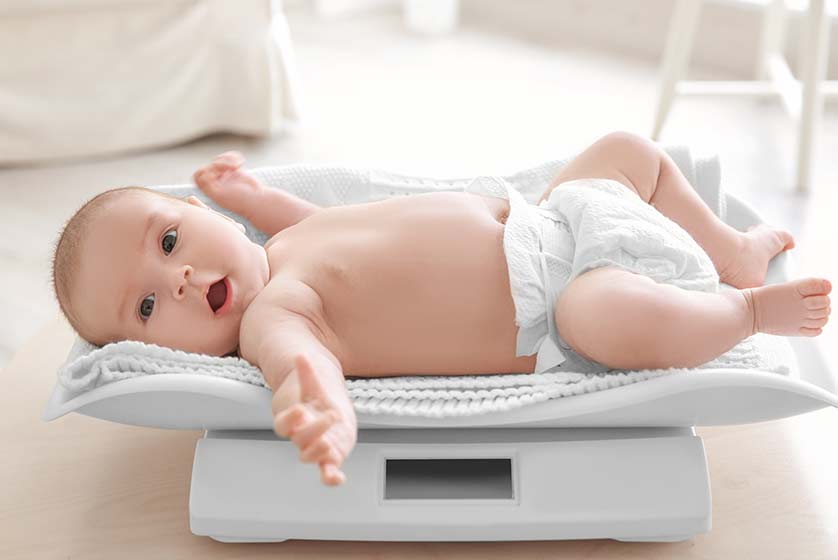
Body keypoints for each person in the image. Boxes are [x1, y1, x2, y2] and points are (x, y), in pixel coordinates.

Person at [51, 132, 832, 486]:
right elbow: (299, 359)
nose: (181, 278)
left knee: (627, 151)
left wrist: (248, 195)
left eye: (170, 239)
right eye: (145, 305)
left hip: (556, 215)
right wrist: (319, 407)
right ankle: (744, 312)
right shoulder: (273, 314)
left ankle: (729, 249)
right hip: (562, 302)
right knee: (605, 322)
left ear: (206, 216)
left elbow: (306, 218)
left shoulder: (284, 244)